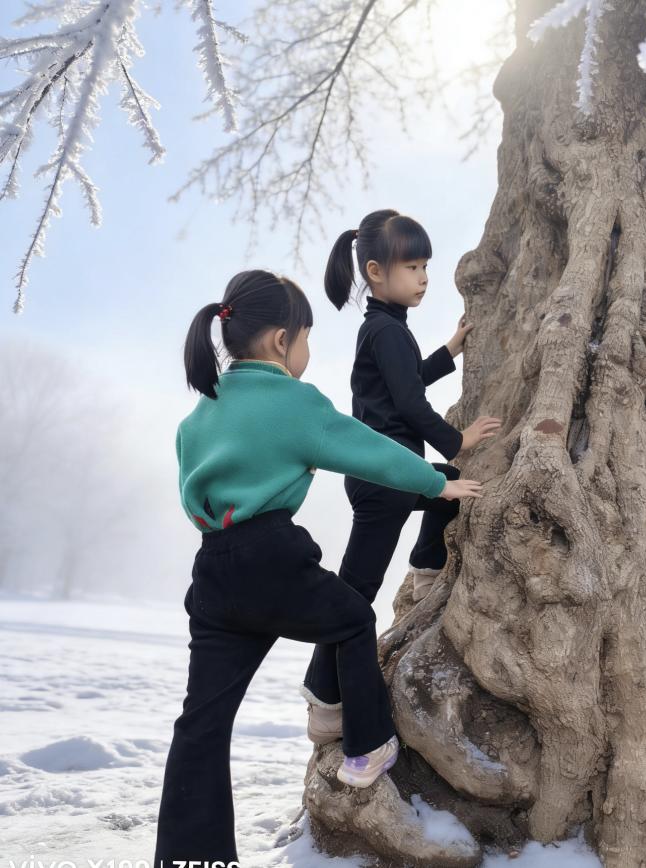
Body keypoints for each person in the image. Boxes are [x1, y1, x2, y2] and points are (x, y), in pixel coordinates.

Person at [153, 269, 482, 865]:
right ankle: (366, 747)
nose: (307, 351)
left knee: (201, 720)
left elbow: (189, 493)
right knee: (351, 618)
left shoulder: (199, 415)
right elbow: (368, 448)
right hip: (273, 556)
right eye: (306, 338)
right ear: (282, 341)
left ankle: (188, 856)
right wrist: (437, 483)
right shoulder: (294, 403)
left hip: (214, 569)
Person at [299, 209, 501, 747]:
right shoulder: (385, 332)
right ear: (374, 271)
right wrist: (459, 439)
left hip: (385, 474)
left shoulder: (384, 330)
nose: (423, 277)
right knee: (355, 593)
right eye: (412, 266)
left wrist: (448, 351)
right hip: (387, 479)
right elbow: (410, 405)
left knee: (450, 493)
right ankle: (323, 702)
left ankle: (425, 570)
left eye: (425, 266)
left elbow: (399, 384)